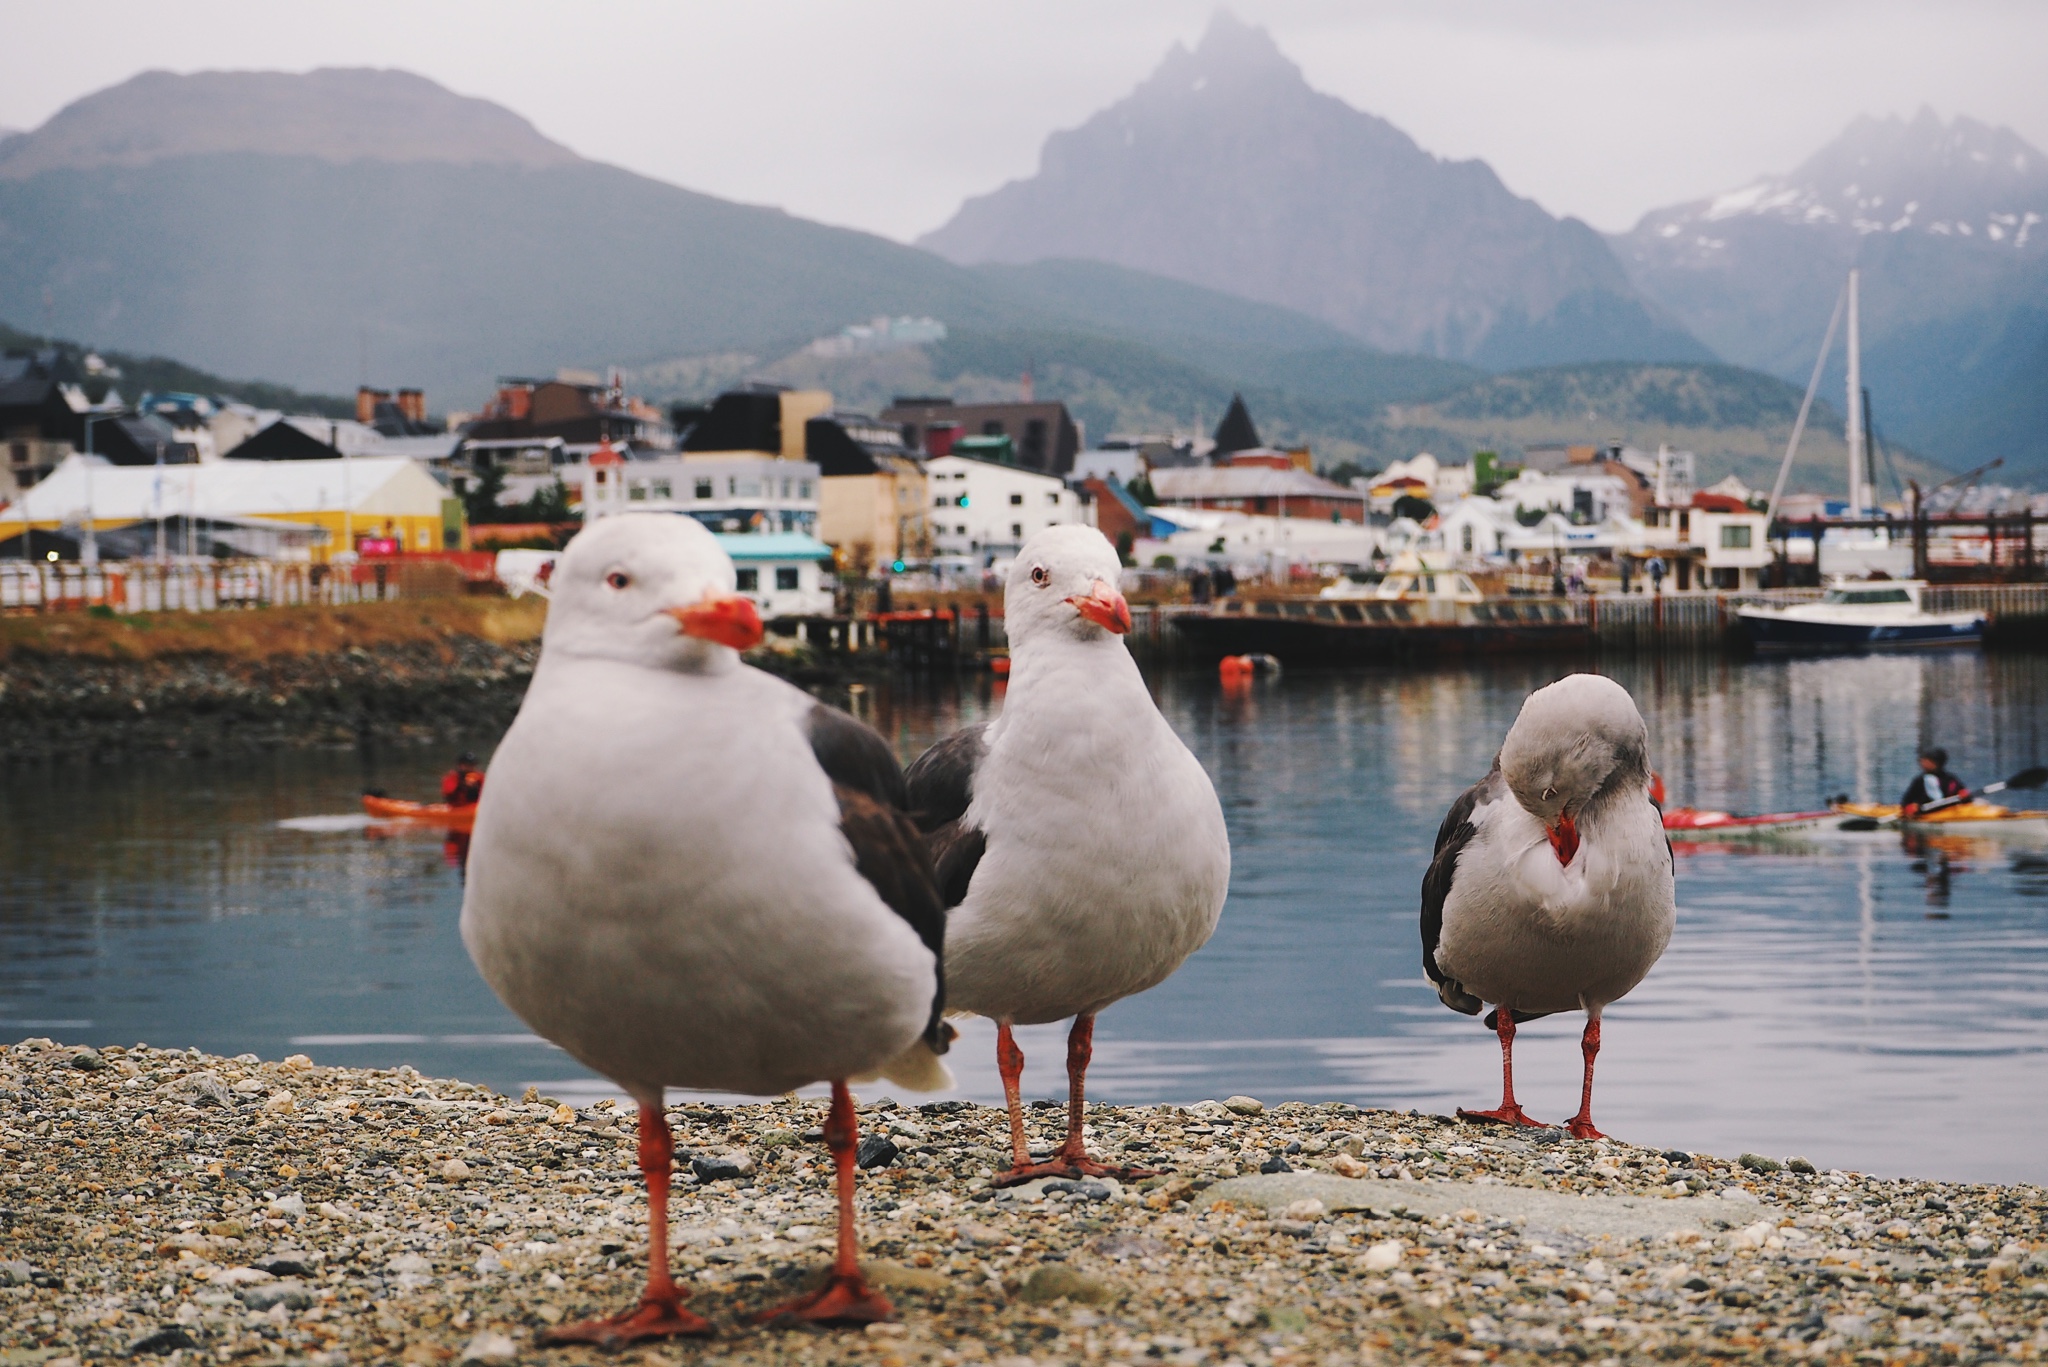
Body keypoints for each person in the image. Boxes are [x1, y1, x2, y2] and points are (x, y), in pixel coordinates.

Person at [1899, 747, 1968, 816]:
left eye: (1926, 760)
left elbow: (1964, 796)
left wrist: (1965, 796)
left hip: (1948, 811)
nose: (1922, 763)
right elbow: (1906, 800)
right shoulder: (1920, 780)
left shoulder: (1950, 778)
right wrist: (1909, 807)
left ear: (1935, 763)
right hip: (1926, 812)